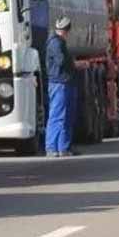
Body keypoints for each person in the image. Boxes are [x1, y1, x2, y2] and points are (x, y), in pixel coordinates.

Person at [45, 17, 77, 157]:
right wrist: (75, 64)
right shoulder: (56, 43)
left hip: (63, 82)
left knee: (66, 116)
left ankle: (64, 147)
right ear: (67, 30)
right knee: (57, 116)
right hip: (59, 83)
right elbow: (61, 61)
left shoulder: (58, 42)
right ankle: (52, 147)